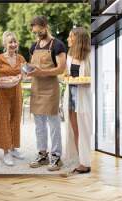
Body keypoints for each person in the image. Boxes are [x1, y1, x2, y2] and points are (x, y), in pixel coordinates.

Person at [25, 16, 67, 171]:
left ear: (46, 26)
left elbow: (61, 69)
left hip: (50, 88)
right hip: (36, 87)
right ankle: (42, 154)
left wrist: (41, 71)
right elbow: (33, 65)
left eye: (39, 31)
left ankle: (56, 157)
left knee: (54, 124)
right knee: (39, 125)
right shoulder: (33, 46)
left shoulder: (58, 45)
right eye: (35, 31)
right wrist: (27, 70)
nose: (37, 34)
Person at [0, 31, 26, 166]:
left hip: (17, 90)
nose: (13, 44)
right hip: (3, 92)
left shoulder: (21, 58)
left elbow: (25, 74)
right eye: (10, 42)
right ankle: (6, 152)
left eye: (15, 42)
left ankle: (13, 147)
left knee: (15, 118)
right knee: (3, 120)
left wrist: (21, 77)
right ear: (5, 43)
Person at [63, 27, 92, 174]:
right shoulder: (69, 56)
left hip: (83, 98)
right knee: (75, 130)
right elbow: (66, 76)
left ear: (78, 39)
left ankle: (86, 162)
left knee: (84, 130)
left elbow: (90, 80)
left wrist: (74, 79)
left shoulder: (88, 57)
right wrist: (65, 77)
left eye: (70, 36)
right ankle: (82, 160)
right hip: (71, 98)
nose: (68, 39)